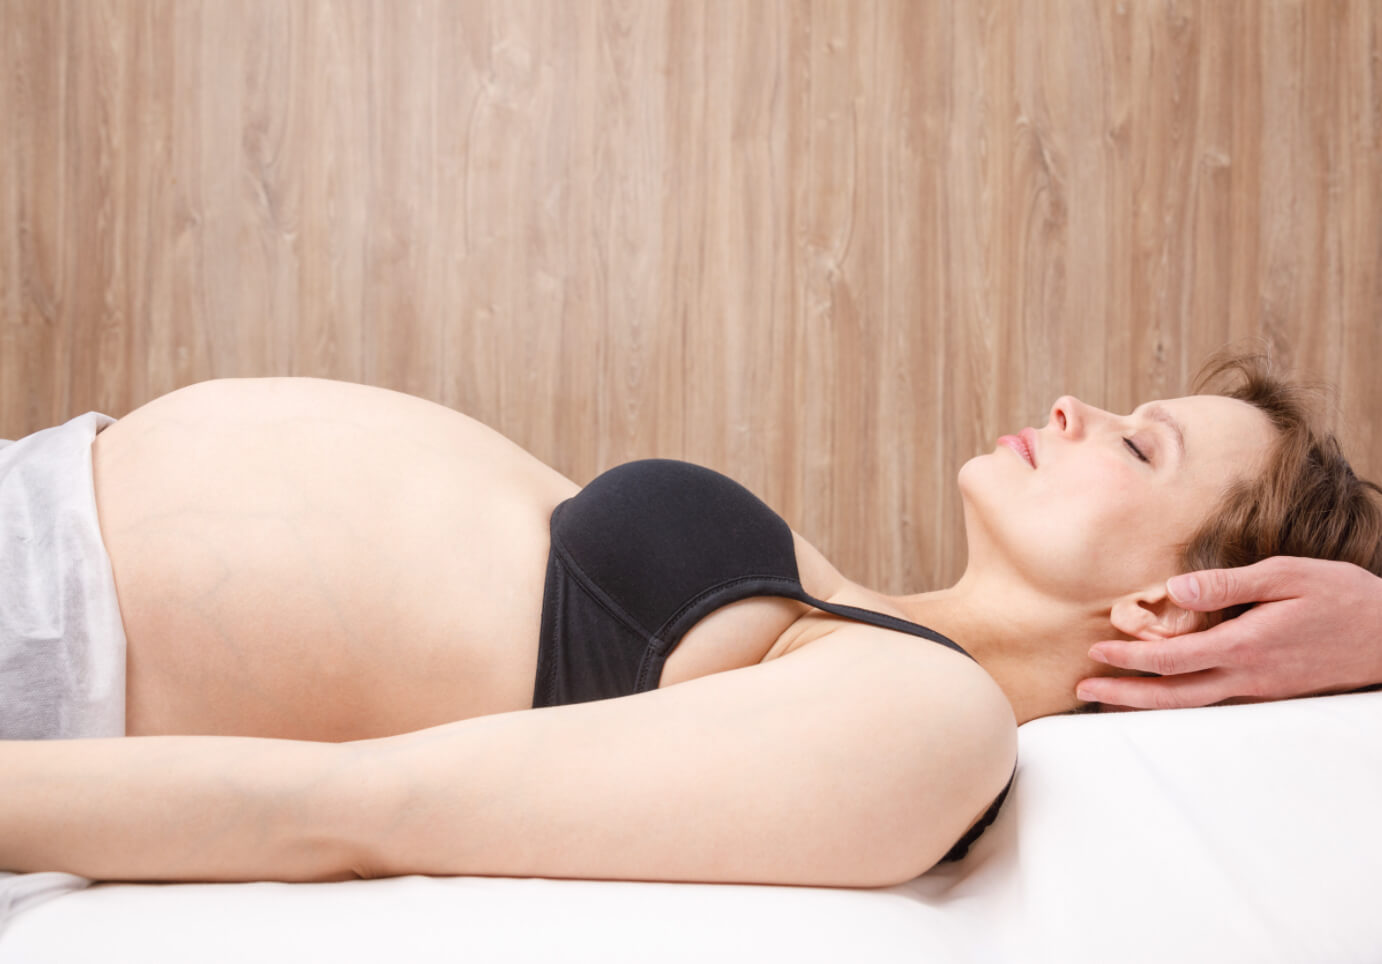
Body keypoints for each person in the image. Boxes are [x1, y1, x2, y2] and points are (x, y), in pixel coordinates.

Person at [0, 347, 1378, 891]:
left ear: (1174, 604)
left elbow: (359, 807)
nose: (1077, 406)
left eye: (1139, 451)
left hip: (50, 644)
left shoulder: (919, 719)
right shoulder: (855, 618)